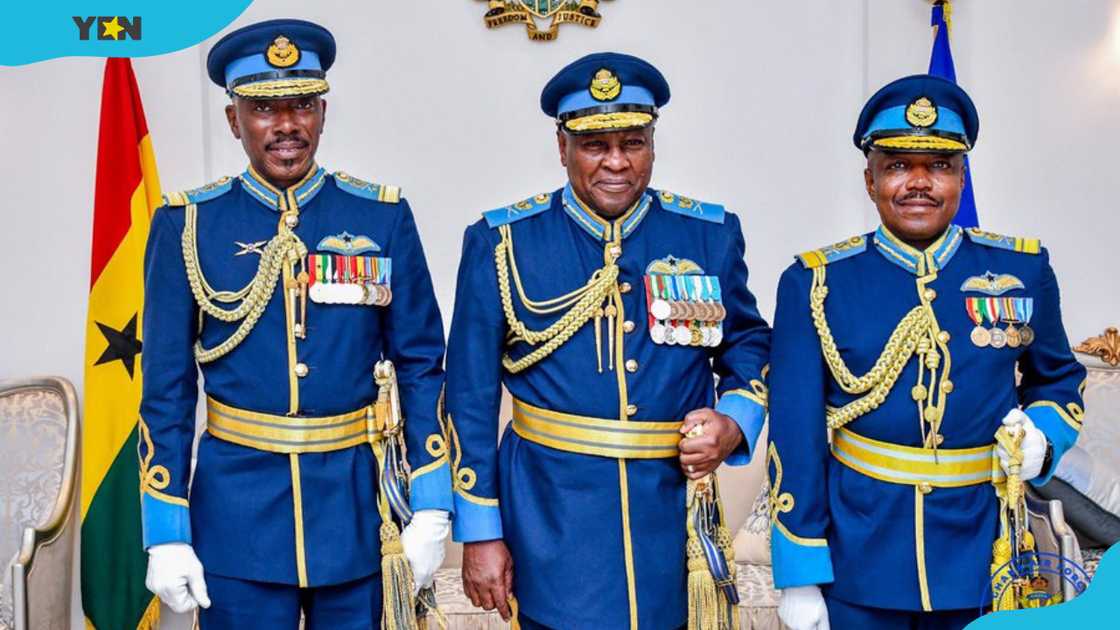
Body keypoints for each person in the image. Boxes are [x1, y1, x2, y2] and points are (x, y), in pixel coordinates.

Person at [139, 19, 452, 629]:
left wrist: (432, 502)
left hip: (358, 514)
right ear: (235, 121)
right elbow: (167, 391)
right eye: (263, 108)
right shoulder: (187, 225)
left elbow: (421, 364)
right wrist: (166, 527)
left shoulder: (379, 215)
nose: (286, 125)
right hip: (237, 519)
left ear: (322, 112)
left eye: (302, 104)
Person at [445, 52, 771, 629]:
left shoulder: (709, 234)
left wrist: (734, 421)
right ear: (562, 146)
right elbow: (469, 397)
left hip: (670, 516)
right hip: (549, 515)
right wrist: (480, 531)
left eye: (634, 142)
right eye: (596, 145)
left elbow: (748, 342)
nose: (616, 163)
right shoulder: (502, 242)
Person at [768, 74, 1087, 630]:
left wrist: (1043, 435)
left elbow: (1057, 381)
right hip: (859, 556)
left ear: (962, 176)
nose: (918, 183)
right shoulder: (815, 282)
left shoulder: (1023, 271)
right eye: (897, 166)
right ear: (869, 181)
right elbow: (796, 435)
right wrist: (800, 570)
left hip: (983, 555)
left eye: (938, 166)